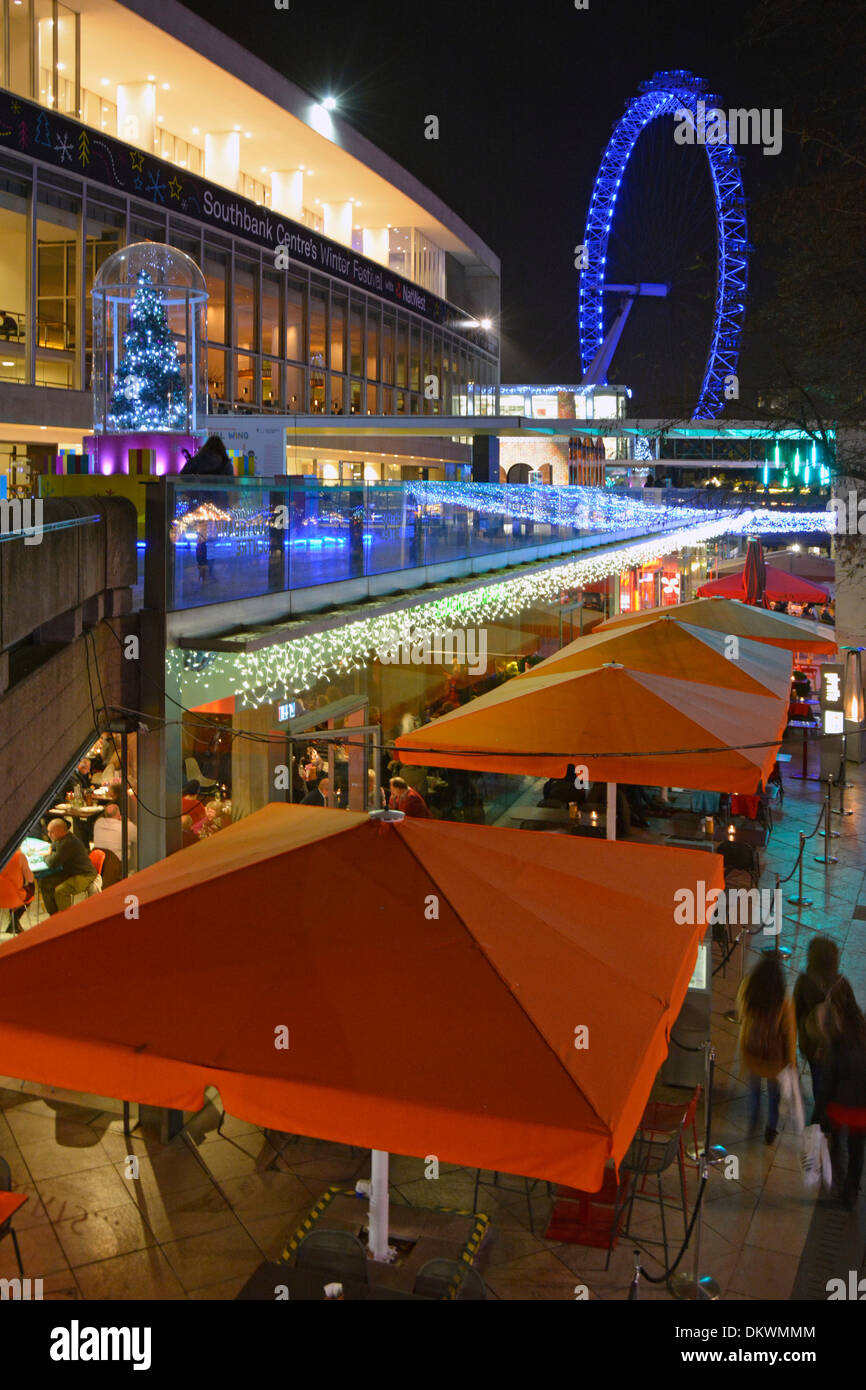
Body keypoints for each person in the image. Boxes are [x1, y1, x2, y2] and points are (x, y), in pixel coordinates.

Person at [816, 978, 866, 1208]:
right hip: (862, 1106)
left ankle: (838, 1182)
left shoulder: (838, 1037)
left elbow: (829, 1077)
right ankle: (851, 1192)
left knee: (837, 1143)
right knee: (857, 1150)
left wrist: (821, 1107)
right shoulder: (862, 1024)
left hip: (842, 1104)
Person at [737, 954, 796, 1144]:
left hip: (752, 1053)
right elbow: (789, 1036)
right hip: (774, 1060)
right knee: (774, 1096)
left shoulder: (749, 992)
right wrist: (791, 1063)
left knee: (753, 1091)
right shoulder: (784, 1004)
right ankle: (770, 1129)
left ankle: (753, 1121)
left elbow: (742, 1015)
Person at [793, 935, 841, 1122]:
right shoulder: (839, 983)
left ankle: (820, 1114)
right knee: (831, 1078)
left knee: (817, 1077)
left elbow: (795, 1013)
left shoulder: (804, 982)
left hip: (812, 1044)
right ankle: (828, 1111)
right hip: (834, 1043)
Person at [40, 819, 97, 915]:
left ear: (61, 831)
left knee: (60, 891)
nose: (49, 834)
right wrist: (51, 851)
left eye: (52, 832)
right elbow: (53, 847)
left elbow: (52, 863)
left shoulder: (68, 843)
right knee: (45, 882)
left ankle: (65, 918)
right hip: (71, 872)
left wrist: (46, 856)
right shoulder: (63, 838)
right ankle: (54, 916)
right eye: (48, 831)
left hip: (84, 875)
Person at [0, 848, 35, 935]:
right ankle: (14, 923)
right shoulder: (19, 856)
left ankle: (14, 924)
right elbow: (30, 878)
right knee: (31, 890)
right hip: (15, 896)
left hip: (1, 896)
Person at [92, 803, 137, 870]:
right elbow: (139, 837)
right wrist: (128, 822)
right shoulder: (126, 826)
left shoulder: (98, 823)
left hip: (98, 865)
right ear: (119, 814)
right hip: (119, 867)